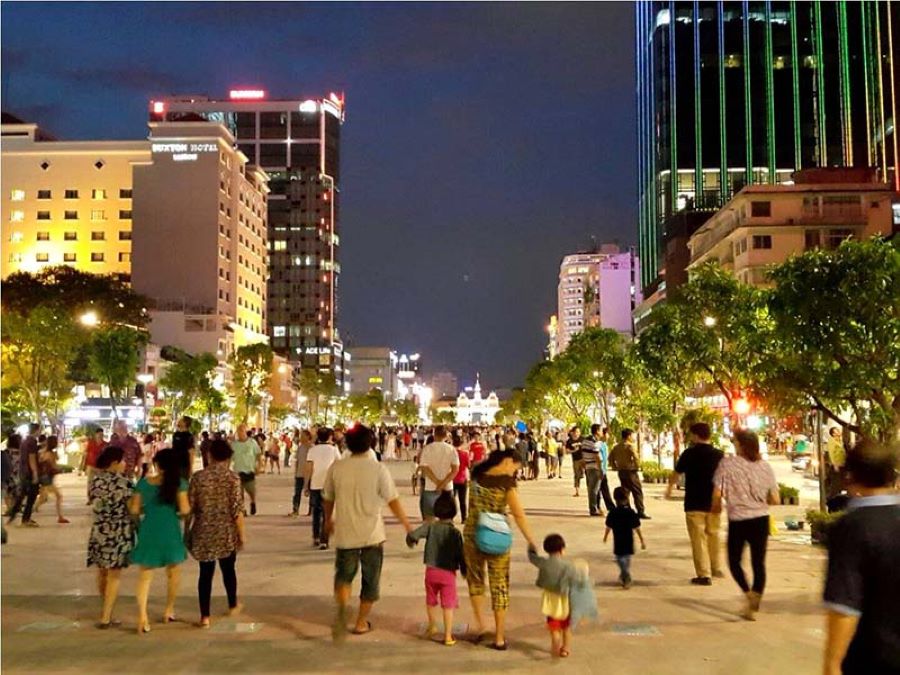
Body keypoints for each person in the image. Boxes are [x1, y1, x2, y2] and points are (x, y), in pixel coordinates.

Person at [323, 424, 412, 640]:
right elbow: (393, 501)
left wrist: (328, 521)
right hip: (372, 534)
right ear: (371, 444)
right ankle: (361, 622)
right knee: (370, 581)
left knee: (344, 576)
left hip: (346, 533)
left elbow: (327, 498)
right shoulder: (378, 469)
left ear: (348, 444)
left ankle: (343, 608)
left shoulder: (337, 467)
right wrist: (407, 525)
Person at [822, 440, 899, 675]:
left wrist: (832, 664)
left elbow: (845, 606)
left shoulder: (851, 528)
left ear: (850, 477)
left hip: (874, 658)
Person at [463, 435, 537, 650]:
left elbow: (470, 508)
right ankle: (499, 637)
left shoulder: (475, 476)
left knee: (475, 581)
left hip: (472, 534)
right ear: (506, 462)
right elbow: (519, 515)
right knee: (500, 586)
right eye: (515, 467)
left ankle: (480, 626)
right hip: (498, 538)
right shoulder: (507, 484)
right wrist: (531, 540)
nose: (515, 471)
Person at [711, 429, 779, 621]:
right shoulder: (765, 467)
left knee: (733, 561)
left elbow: (717, 493)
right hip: (761, 520)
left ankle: (748, 593)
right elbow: (775, 498)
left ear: (740, 445)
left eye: (735, 441)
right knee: (759, 563)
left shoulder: (727, 464)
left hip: (738, 520)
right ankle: (756, 596)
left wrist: (716, 507)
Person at [130, 447, 190, 634]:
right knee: (173, 573)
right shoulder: (179, 484)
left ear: (157, 464)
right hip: (170, 530)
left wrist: (146, 511)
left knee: (145, 576)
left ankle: (142, 617)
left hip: (149, 530)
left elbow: (134, 510)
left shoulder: (144, 484)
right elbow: (185, 510)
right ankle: (169, 609)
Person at [187, 438, 245, 628]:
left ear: (209, 455)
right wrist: (242, 535)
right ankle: (232, 604)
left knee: (205, 574)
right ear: (228, 457)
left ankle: (205, 616)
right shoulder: (233, 479)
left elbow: (190, 509)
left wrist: (186, 531)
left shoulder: (198, 477)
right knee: (229, 570)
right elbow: (237, 511)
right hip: (226, 532)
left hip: (203, 531)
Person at [666, 422, 725, 585]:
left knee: (698, 539)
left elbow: (676, 473)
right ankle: (716, 567)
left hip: (694, 502)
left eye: (691, 434)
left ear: (696, 435)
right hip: (714, 502)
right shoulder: (719, 455)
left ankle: (704, 574)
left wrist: (669, 488)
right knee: (713, 535)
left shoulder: (688, 454)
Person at [406, 492, 467, 646]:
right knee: (448, 604)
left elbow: (413, 535)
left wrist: (412, 541)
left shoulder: (430, 526)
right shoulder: (455, 533)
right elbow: (461, 554)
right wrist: (465, 570)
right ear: (454, 512)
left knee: (431, 600)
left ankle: (432, 625)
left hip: (431, 571)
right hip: (448, 574)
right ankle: (447, 636)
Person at [87, 446, 135, 628]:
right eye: (122, 460)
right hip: (118, 532)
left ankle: (106, 609)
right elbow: (132, 509)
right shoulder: (124, 483)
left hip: (99, 530)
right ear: (114, 463)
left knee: (102, 572)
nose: (125, 464)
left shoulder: (96, 480)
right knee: (114, 575)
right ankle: (106, 616)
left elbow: (93, 500)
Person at [528, 533, 587, 658]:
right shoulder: (568, 566)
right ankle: (565, 649)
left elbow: (533, 558)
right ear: (562, 549)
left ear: (546, 549)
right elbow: (577, 583)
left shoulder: (543, 563)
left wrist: (531, 548)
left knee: (554, 627)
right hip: (565, 600)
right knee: (566, 627)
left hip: (550, 599)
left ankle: (555, 644)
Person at [305, 427, 341, 550]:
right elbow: (339, 466)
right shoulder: (334, 450)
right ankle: (324, 540)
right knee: (327, 514)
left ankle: (315, 536)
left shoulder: (312, 450)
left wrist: (306, 485)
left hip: (315, 484)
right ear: (330, 437)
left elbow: (309, 468)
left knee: (316, 512)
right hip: (329, 485)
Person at [604, 486, 646, 588]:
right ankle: (625, 575)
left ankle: (625, 575)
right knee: (626, 560)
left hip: (618, 540)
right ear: (627, 498)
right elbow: (637, 527)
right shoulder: (631, 512)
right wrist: (642, 540)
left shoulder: (613, 512)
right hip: (628, 540)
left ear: (615, 499)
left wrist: (605, 537)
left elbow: (608, 526)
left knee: (620, 559)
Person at [418, 426, 459, 522]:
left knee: (429, 519)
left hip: (430, 487)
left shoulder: (427, 449)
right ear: (446, 436)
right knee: (447, 519)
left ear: (434, 434)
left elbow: (424, 467)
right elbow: (455, 469)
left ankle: (431, 536)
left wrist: (436, 482)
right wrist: (443, 483)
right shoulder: (451, 449)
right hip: (447, 488)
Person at [609, 428, 649, 519]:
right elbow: (636, 458)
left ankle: (626, 510)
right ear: (628, 436)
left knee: (625, 491)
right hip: (631, 472)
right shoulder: (630, 446)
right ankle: (640, 511)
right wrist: (637, 466)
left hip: (621, 471)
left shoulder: (616, 447)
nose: (633, 437)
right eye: (632, 435)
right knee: (637, 491)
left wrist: (615, 467)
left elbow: (610, 458)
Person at [7, 423, 41, 527]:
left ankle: (12, 515)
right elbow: (31, 458)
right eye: (39, 430)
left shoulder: (24, 440)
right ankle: (25, 519)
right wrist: (35, 473)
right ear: (35, 430)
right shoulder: (32, 441)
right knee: (32, 495)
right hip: (29, 472)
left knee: (22, 495)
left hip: (23, 471)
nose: (40, 432)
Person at [36, 435, 69, 524]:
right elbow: (53, 466)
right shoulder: (51, 454)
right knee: (58, 496)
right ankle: (60, 516)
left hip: (42, 477)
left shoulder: (42, 452)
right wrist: (61, 469)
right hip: (47, 478)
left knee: (42, 498)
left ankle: (32, 509)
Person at [231, 425, 260, 517]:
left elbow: (258, 454)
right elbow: (229, 458)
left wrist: (259, 466)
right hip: (238, 471)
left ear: (245, 432)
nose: (240, 434)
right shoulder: (234, 445)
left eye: (241, 432)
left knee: (251, 491)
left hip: (249, 470)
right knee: (239, 492)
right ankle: (242, 509)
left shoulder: (252, 443)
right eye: (238, 432)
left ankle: (253, 502)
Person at [580, 424, 609, 517]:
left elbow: (583, 453)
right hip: (594, 467)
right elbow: (597, 457)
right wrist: (601, 469)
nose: (602, 432)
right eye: (601, 430)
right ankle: (593, 509)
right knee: (594, 489)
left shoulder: (585, 440)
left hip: (588, 467)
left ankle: (594, 507)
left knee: (592, 488)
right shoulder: (595, 442)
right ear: (597, 431)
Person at [289, 429, 313, 517]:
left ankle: (311, 510)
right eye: (300, 436)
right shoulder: (300, 447)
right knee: (297, 493)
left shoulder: (312, 447)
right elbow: (297, 461)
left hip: (309, 474)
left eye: (303, 436)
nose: (301, 437)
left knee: (311, 493)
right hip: (299, 473)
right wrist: (295, 472)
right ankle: (295, 509)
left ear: (308, 436)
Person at [83, 427, 107, 505]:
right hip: (91, 466)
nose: (100, 436)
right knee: (90, 483)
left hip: (101, 467)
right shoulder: (91, 443)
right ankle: (90, 498)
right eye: (99, 434)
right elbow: (86, 454)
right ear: (95, 435)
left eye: (101, 434)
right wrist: (84, 466)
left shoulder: (105, 445)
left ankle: (100, 498)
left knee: (101, 483)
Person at [452, 434, 471, 523]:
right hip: (462, 479)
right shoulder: (464, 454)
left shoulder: (451, 454)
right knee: (462, 500)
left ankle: (450, 517)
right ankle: (464, 518)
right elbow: (468, 465)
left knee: (451, 499)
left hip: (452, 478)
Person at [825, 427, 847, 502]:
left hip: (842, 465)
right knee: (835, 486)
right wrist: (835, 464)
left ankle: (836, 501)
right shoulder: (832, 441)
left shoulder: (840, 441)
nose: (839, 431)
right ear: (833, 434)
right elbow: (831, 453)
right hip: (836, 466)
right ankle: (831, 501)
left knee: (840, 486)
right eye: (836, 431)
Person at [566, 427, 584, 497]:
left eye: (578, 432)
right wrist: (573, 451)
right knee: (576, 476)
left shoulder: (583, 439)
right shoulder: (569, 441)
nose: (577, 433)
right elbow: (567, 451)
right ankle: (577, 491)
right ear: (573, 432)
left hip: (583, 459)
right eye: (576, 432)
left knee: (587, 473)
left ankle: (590, 490)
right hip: (575, 460)